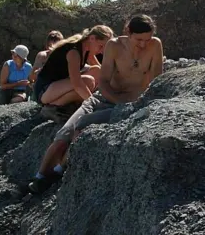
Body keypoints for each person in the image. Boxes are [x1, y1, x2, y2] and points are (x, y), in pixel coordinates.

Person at [27, 14, 164, 194]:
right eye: (139, 39)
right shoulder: (114, 46)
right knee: (64, 134)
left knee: (82, 127)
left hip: (131, 102)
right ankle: (39, 177)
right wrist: (116, 101)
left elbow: (156, 80)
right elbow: (104, 81)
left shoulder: (155, 46)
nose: (143, 44)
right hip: (104, 98)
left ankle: (57, 173)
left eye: (147, 39)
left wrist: (137, 103)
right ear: (128, 32)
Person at [32, 25, 114, 113]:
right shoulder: (74, 51)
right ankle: (51, 107)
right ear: (92, 38)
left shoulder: (87, 49)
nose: (101, 51)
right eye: (100, 46)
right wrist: (95, 104)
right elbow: (77, 84)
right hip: (44, 90)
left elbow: (101, 71)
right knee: (87, 81)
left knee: (96, 71)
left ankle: (70, 104)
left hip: (58, 86)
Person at [0, 45, 33, 109]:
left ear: (22, 58)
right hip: (5, 91)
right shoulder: (8, 65)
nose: (13, 57)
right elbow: (2, 85)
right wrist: (18, 84)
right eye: (13, 54)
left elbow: (31, 81)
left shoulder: (29, 67)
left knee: (18, 100)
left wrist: (30, 84)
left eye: (16, 55)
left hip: (20, 92)